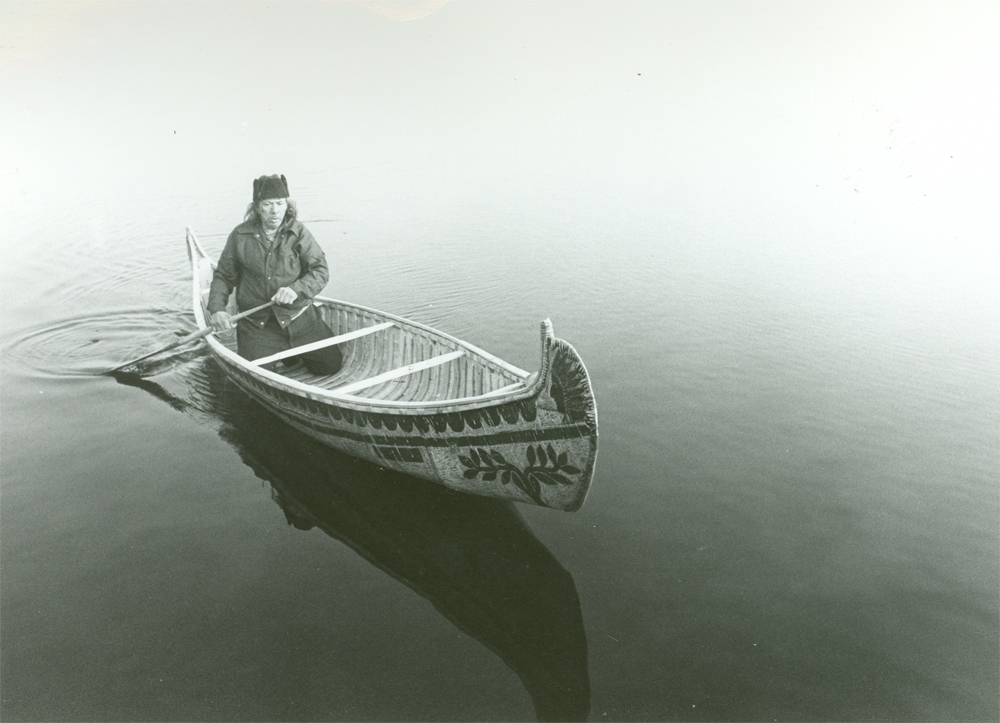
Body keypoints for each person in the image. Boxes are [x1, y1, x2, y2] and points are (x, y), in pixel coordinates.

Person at [208, 174, 343, 375]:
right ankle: (286, 354)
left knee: (330, 367)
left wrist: (296, 290)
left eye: (280, 203)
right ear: (256, 207)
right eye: (268, 204)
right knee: (256, 375)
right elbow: (223, 276)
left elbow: (320, 271)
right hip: (258, 325)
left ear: (287, 205)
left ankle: (290, 353)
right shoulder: (239, 236)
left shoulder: (299, 232)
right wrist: (217, 309)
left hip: (298, 317)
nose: (275, 211)